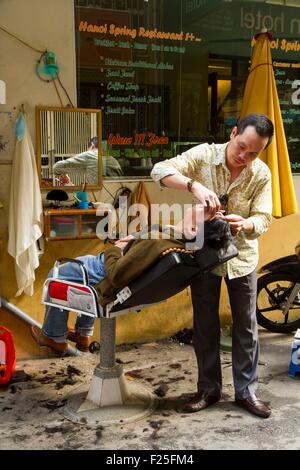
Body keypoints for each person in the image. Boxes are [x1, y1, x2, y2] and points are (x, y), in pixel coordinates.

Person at [151, 113, 274, 419]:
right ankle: (208, 389)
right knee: (204, 324)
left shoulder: (261, 174)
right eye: (241, 147)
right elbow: (159, 170)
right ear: (233, 133)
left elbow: (265, 217)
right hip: (204, 257)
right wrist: (194, 186)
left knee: (246, 326)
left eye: (253, 153)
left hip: (242, 257)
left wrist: (246, 223)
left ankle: (247, 392)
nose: (243, 157)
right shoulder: (205, 154)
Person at [31, 206, 232, 356]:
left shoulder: (158, 241)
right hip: (109, 267)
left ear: (196, 230)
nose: (210, 206)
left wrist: (116, 248)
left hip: (101, 270)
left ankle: (54, 336)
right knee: (76, 277)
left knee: (57, 274)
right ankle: (83, 334)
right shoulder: (182, 241)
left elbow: (117, 274)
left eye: (211, 214)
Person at [53, 137, 123, 185]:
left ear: (92, 146)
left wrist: (64, 176)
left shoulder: (90, 155)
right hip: (117, 201)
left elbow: (56, 167)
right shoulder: (114, 161)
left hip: (98, 201)